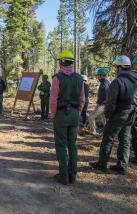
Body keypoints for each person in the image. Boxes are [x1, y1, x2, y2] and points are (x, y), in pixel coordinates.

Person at [89, 55, 137, 175]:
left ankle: (102, 164)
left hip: (119, 114)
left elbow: (111, 102)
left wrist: (108, 115)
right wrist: (134, 112)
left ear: (119, 67)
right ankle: (122, 166)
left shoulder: (117, 81)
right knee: (125, 140)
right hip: (131, 114)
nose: (115, 69)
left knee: (108, 138)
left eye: (116, 67)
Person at [50, 50, 85, 185]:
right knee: (73, 145)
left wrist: (54, 114)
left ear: (61, 61)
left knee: (61, 145)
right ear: (71, 62)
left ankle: (64, 176)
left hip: (61, 114)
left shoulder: (57, 78)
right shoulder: (79, 78)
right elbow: (82, 99)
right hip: (74, 114)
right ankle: (72, 175)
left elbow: (53, 100)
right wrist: (78, 112)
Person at [88, 68, 110, 136]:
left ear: (102, 75)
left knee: (91, 116)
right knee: (103, 118)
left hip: (103, 104)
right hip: (105, 104)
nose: (97, 77)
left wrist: (99, 103)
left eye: (98, 75)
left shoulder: (104, 84)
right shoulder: (105, 82)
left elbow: (105, 95)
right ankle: (107, 132)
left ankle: (93, 131)